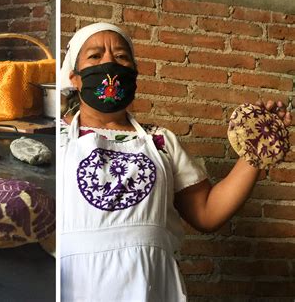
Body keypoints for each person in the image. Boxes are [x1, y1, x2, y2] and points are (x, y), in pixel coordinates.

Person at [59, 22, 292, 301]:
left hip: (151, 284)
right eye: (95, 56)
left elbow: (207, 213)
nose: (110, 63)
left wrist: (256, 149)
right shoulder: (56, 137)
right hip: (73, 283)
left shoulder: (161, 141)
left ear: (134, 73)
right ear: (74, 77)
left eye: (121, 57)